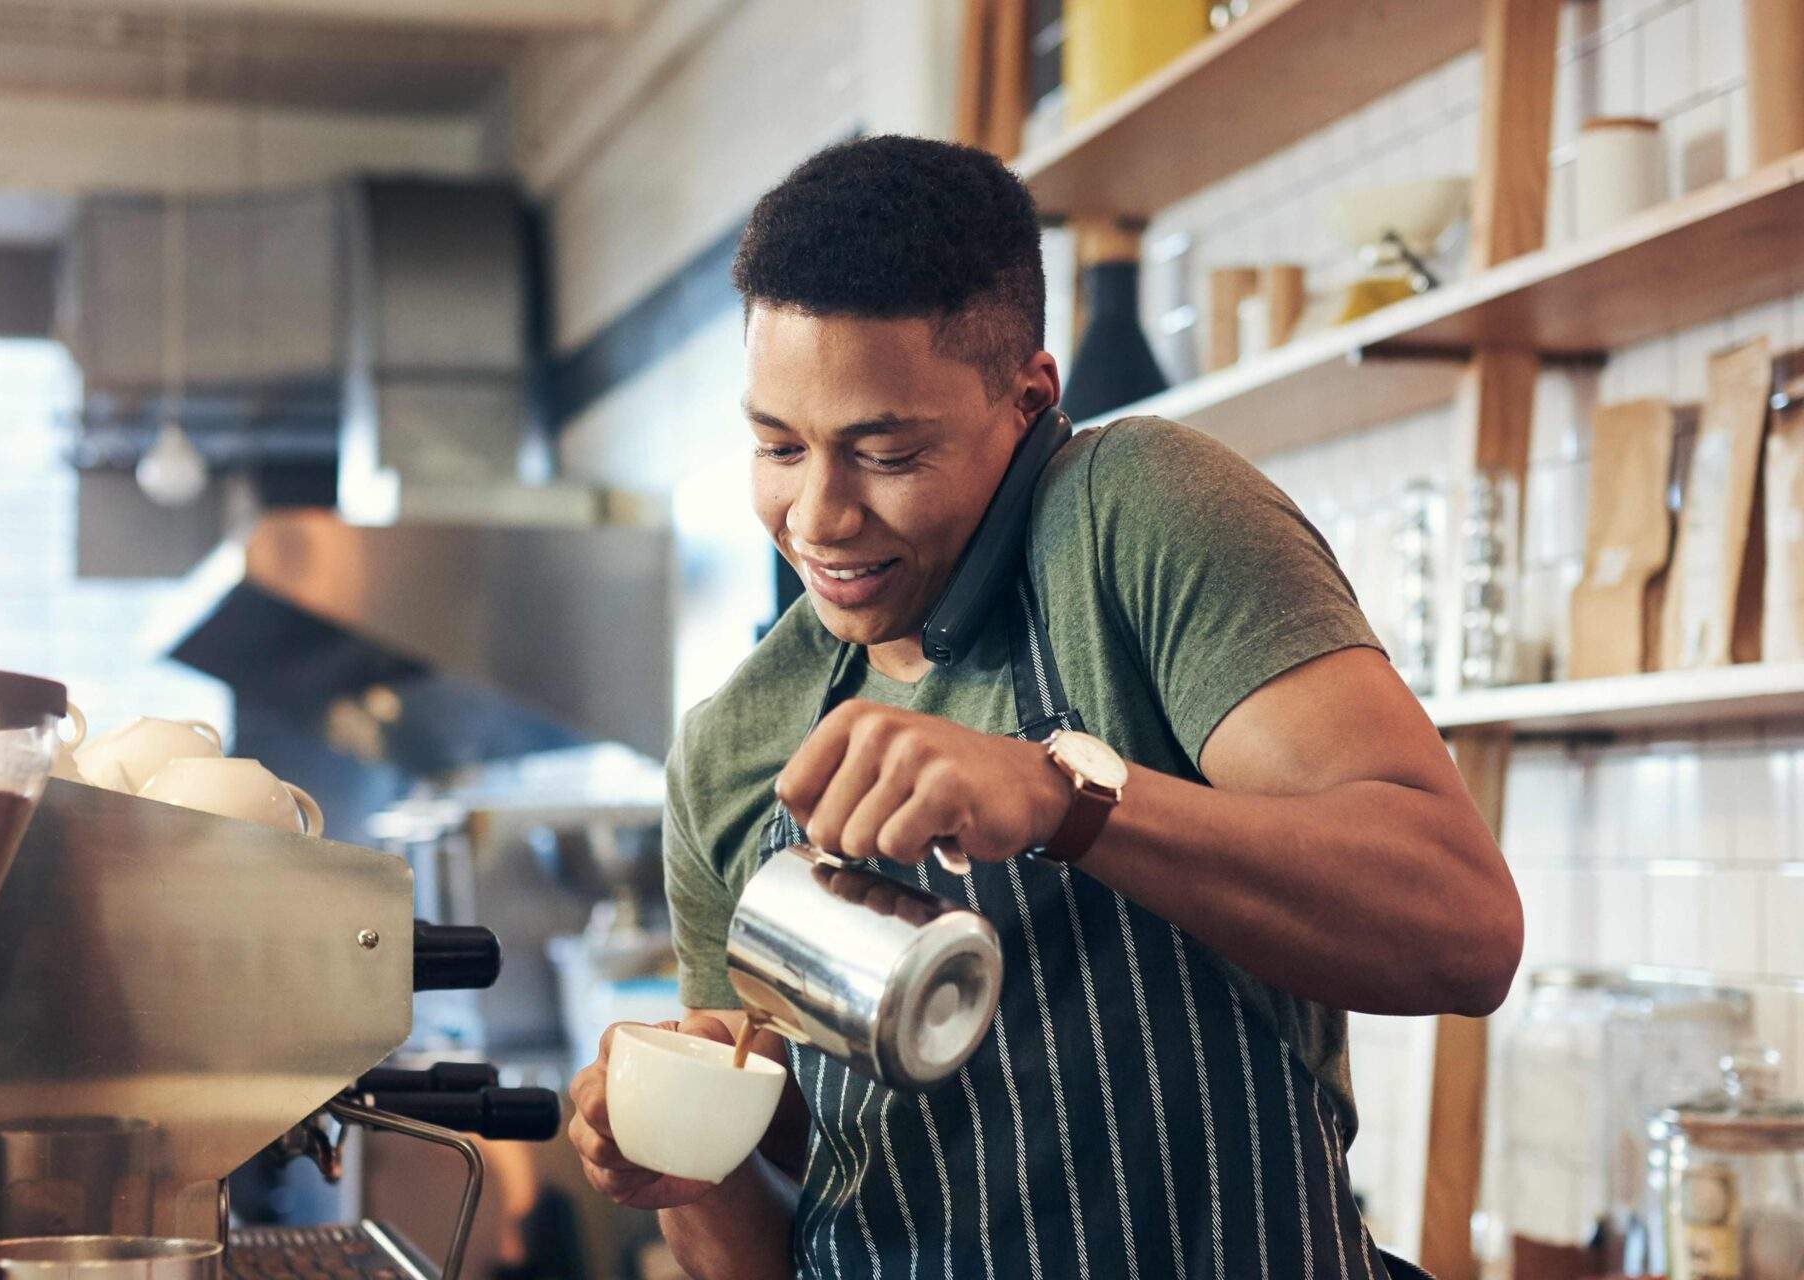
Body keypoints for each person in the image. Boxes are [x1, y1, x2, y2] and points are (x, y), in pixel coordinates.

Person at [565, 136, 1522, 1280]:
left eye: (885, 451)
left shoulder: (1132, 518)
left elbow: (1464, 931)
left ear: (1027, 397)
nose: (816, 516)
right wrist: (678, 1153)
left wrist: (1065, 797)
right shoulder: (734, 743)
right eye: (776, 445)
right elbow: (769, 1213)